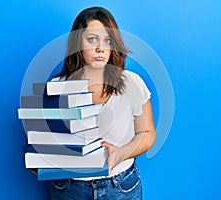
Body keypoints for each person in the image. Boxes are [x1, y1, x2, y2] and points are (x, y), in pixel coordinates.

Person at [48, 6, 156, 200]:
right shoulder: (57, 87)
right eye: (92, 39)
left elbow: (147, 133)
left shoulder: (131, 83)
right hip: (69, 189)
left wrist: (122, 152)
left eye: (107, 40)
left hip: (120, 187)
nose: (100, 48)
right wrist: (39, 160)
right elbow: (47, 138)